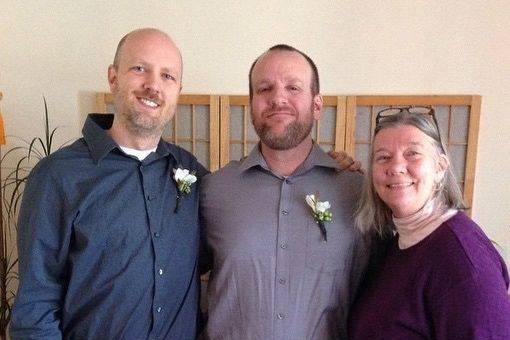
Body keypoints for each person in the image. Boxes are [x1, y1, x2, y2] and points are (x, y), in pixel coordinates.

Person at [10, 28, 207, 339]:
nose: (153, 85)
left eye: (167, 76)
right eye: (140, 68)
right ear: (113, 78)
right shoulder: (57, 177)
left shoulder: (191, 171)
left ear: (178, 90)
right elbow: (36, 307)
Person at [200, 45, 368, 340]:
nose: (278, 98)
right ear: (251, 104)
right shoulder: (214, 190)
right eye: (265, 88)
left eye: (293, 87)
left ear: (317, 106)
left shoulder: (358, 192)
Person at [348, 107, 510, 339]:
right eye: (383, 157)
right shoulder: (394, 244)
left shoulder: (462, 259)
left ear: (440, 167)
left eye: (412, 153)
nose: (395, 167)